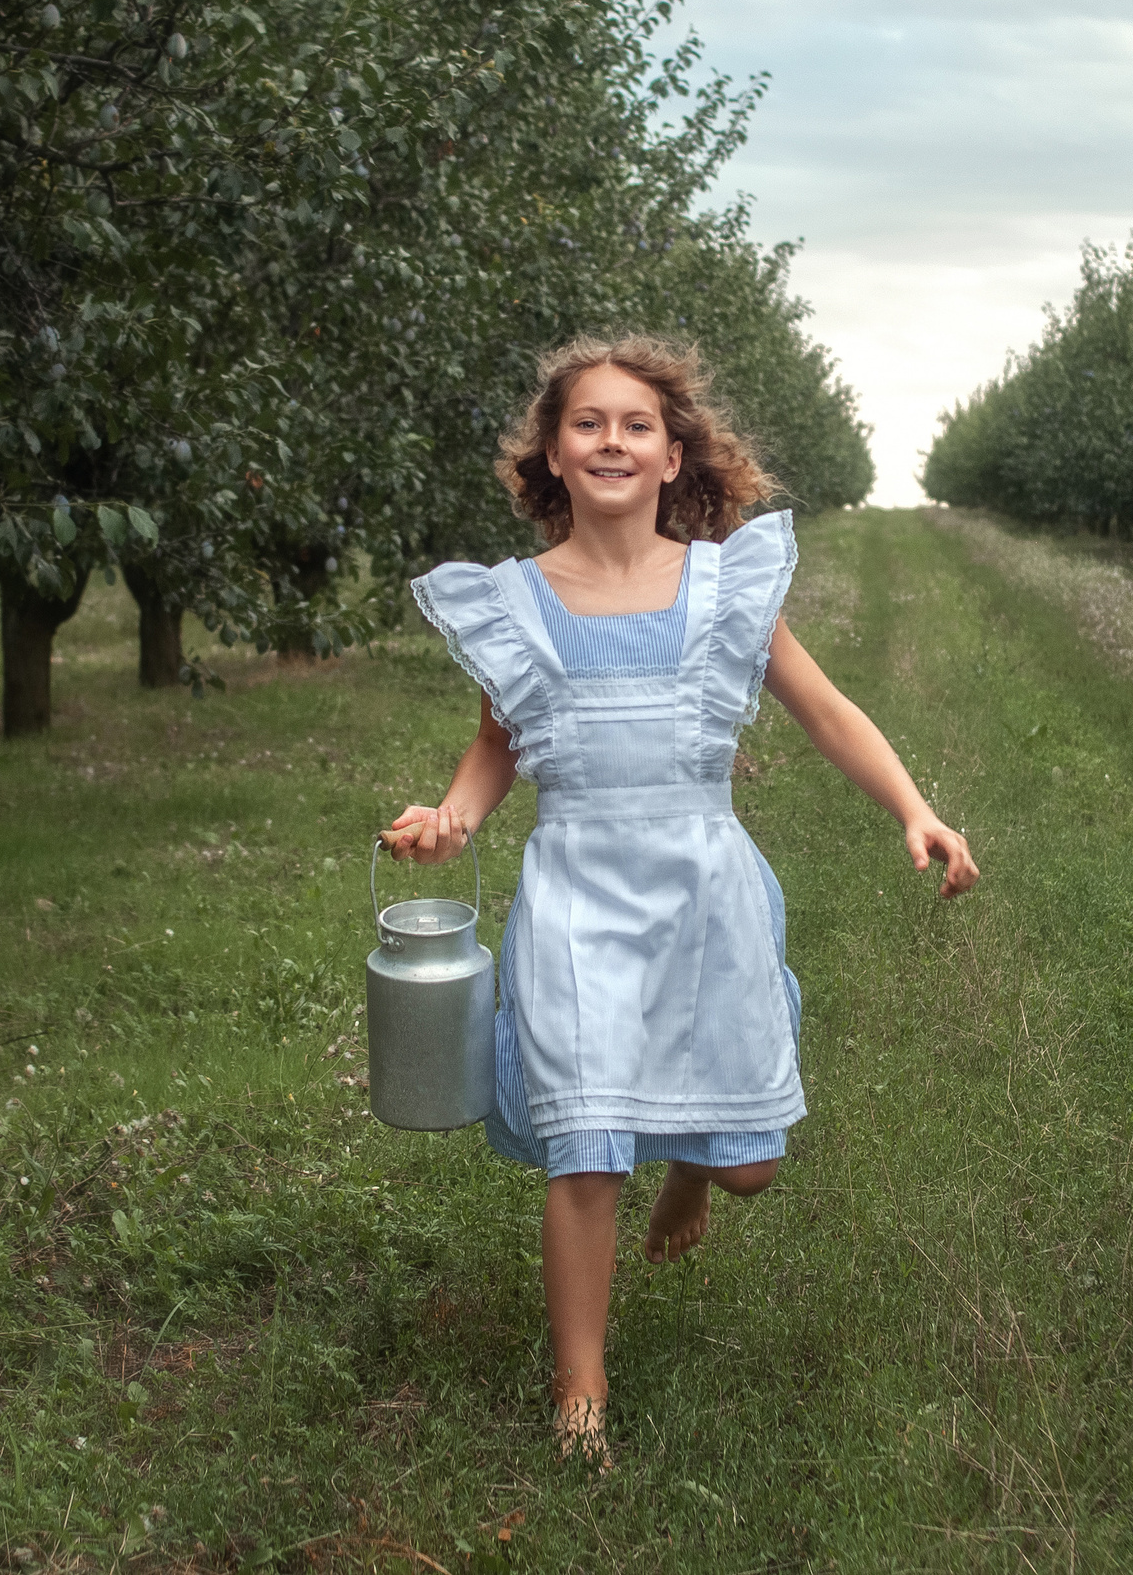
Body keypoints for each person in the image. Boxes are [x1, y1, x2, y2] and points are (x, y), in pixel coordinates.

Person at [379, 335, 979, 1464]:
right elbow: (495, 749)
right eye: (588, 422)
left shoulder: (722, 585)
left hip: (704, 886)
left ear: (672, 455)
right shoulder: (515, 605)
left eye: (636, 424)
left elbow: (827, 710)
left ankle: (695, 1166)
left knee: (750, 1162)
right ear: (551, 455)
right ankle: (581, 1395)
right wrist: (448, 817)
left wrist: (914, 806)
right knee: (585, 1143)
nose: (612, 439)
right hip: (573, 893)